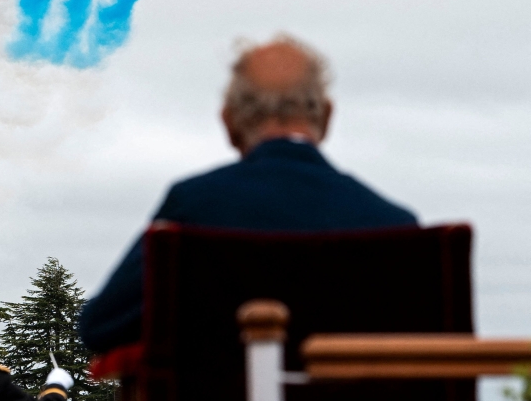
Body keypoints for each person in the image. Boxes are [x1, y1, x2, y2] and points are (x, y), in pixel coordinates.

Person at [79, 35, 418, 353]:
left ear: (229, 122)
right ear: (327, 116)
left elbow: (101, 327)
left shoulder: (193, 207)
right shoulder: (396, 229)